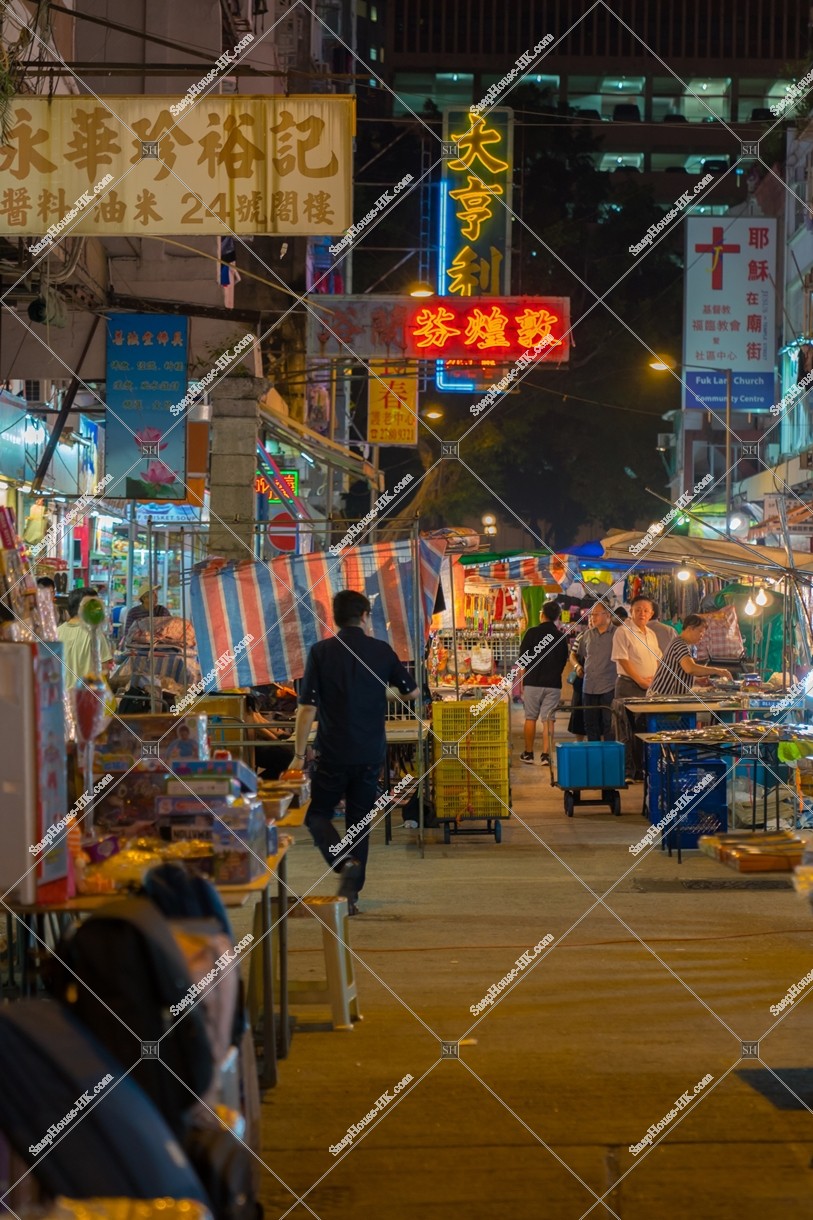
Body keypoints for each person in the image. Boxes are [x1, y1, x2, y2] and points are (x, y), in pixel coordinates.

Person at [292, 590, 418, 915]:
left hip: (332, 751)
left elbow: (307, 707)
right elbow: (412, 691)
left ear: (335, 617)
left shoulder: (321, 652)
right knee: (359, 823)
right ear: (365, 615)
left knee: (316, 814)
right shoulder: (381, 651)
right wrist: (379, 695)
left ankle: (340, 860)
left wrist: (298, 751)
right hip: (369, 753)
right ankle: (352, 896)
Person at [610, 596, 661, 780]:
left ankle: (641, 770)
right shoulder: (623, 632)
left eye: (646, 610)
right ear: (631, 611)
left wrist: (654, 680)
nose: (642, 613)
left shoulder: (651, 634)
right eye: (638, 609)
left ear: (651, 614)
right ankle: (628, 771)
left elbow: (657, 660)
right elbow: (623, 659)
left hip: (648, 688)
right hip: (628, 686)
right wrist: (640, 680)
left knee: (643, 729)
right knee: (626, 729)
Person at [519, 601, 569, 766]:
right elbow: (563, 661)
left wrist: (521, 683)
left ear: (542, 614)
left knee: (530, 718)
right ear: (557, 617)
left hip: (532, 682)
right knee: (549, 720)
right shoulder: (562, 637)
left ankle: (528, 753)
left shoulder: (531, 633)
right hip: (553, 684)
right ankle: (546, 756)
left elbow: (523, 661)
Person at [649, 615, 729, 696]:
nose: (702, 635)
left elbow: (678, 671)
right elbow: (690, 668)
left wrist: (696, 680)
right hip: (661, 696)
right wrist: (717, 671)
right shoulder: (680, 644)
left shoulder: (683, 644)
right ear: (690, 628)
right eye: (700, 631)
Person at [56, 587, 112, 689]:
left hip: (62, 699)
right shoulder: (95, 634)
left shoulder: (56, 633)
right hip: (87, 698)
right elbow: (104, 673)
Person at [579, 602, 618, 741]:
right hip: (589, 686)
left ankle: (608, 758)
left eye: (595, 614)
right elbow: (584, 656)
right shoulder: (588, 634)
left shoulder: (618, 634)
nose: (592, 617)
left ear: (607, 615)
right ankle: (593, 757)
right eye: (591, 614)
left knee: (609, 724)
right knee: (590, 725)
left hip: (609, 687)